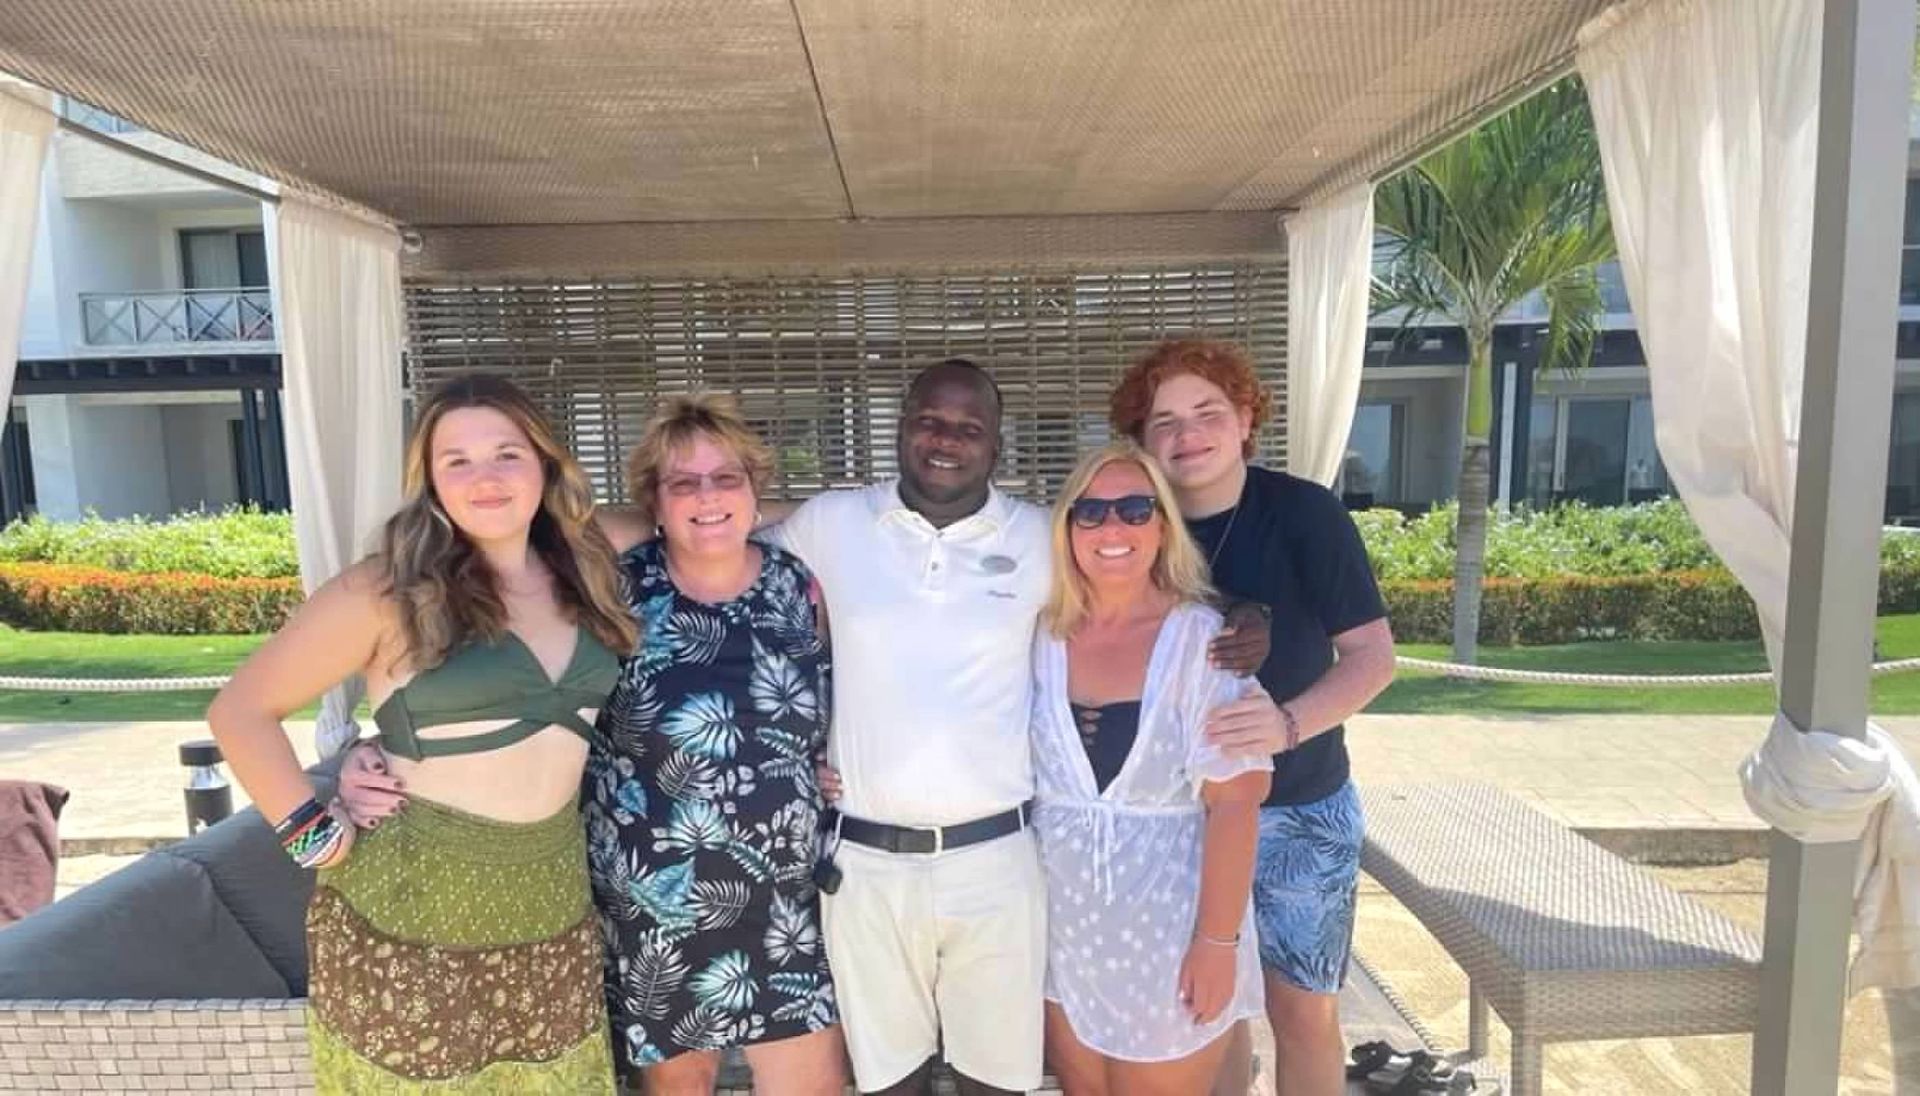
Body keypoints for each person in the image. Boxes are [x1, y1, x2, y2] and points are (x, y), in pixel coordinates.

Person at [787, 358, 1278, 1096]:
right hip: (870, 862)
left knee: (999, 1082)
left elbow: (1143, 586)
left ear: (997, 446)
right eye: (929, 421)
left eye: (969, 428)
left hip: (1001, 865)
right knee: (890, 1081)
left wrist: (1248, 614)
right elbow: (722, 556)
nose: (946, 439)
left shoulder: (1037, 541)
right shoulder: (829, 524)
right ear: (901, 426)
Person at [208, 373, 636, 1093]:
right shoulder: (384, 589)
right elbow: (239, 712)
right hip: (411, 913)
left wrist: (859, 510)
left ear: (544, 462)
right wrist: (319, 834)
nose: (486, 479)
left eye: (507, 454)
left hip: (550, 905)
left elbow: (711, 511)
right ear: (430, 481)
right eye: (457, 461)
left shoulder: (589, 556)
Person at [1110, 338, 1397, 1096]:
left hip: (1301, 807)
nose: (1186, 434)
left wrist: (1290, 723)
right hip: (1183, 818)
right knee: (1211, 1012)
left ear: (1244, 419)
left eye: (1207, 412)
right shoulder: (1132, 524)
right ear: (1142, 439)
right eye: (1163, 420)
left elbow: (1372, 657)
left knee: (1303, 1013)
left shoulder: (1303, 512)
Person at [587, 394, 844, 1093]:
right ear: (653, 503)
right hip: (655, 895)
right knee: (682, 1084)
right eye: (683, 483)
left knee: (812, 1081)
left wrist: (834, 762)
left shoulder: (801, 586)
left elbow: (842, 696)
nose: (708, 496)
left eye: (725, 477)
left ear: (755, 489)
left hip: (788, 897)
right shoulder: (615, 589)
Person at [1030, 444, 1271, 1096]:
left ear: (1163, 526)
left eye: (1136, 510)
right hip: (1064, 938)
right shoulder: (1038, 638)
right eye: (1093, 512)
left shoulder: (1202, 641)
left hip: (1171, 935)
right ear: (1068, 528)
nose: (1114, 528)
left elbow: (1236, 802)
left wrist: (1216, 944)